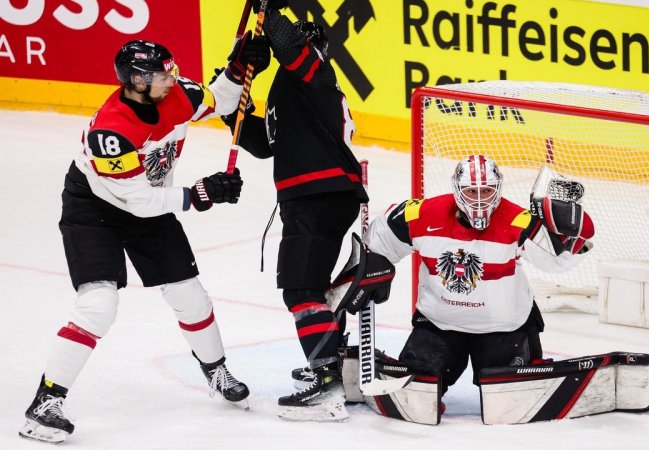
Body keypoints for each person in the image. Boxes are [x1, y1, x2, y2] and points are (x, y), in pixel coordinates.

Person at [19, 36, 270, 444]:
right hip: (94, 209)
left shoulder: (179, 93)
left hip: (146, 203)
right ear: (136, 81)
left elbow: (222, 100)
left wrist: (238, 67)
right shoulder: (112, 132)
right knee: (98, 305)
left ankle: (215, 370)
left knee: (190, 295)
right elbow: (138, 201)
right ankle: (45, 402)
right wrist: (200, 194)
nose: (172, 79)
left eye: (171, 71)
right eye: (162, 75)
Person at [224, 0, 367, 418]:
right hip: (318, 197)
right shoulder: (292, 92)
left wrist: (267, 11)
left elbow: (288, 44)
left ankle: (327, 383)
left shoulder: (314, 75)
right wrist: (236, 85)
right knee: (311, 289)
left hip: (317, 197)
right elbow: (260, 142)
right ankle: (333, 366)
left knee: (301, 291)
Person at [362, 155, 595, 403]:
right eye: (472, 191)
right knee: (418, 392)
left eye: (487, 190)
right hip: (440, 324)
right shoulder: (422, 213)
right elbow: (378, 241)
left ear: (498, 188)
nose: (480, 199)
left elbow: (556, 262)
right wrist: (369, 268)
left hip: (504, 328)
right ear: (457, 189)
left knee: (508, 398)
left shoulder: (518, 219)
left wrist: (572, 235)